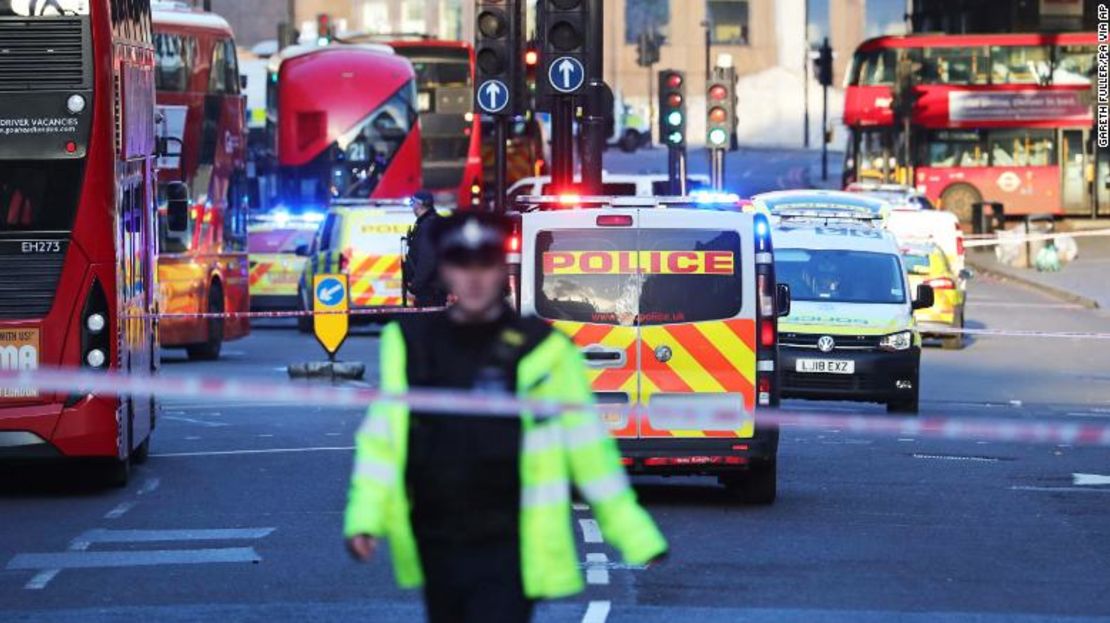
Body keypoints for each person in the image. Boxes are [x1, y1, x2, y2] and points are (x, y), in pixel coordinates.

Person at [345, 213, 667, 623]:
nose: (474, 277)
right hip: (437, 538)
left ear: (503, 270)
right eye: (463, 265)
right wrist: (365, 519)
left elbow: (589, 450)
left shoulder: (544, 349)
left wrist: (634, 533)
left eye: (485, 265)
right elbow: (384, 442)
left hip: (511, 543)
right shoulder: (409, 344)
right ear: (446, 271)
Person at [404, 191, 446, 307]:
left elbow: (427, 260)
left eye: (412, 203)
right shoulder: (437, 222)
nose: (412, 207)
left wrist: (414, 288)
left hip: (429, 291)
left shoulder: (427, 226)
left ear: (419, 204)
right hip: (437, 288)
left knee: (427, 322)